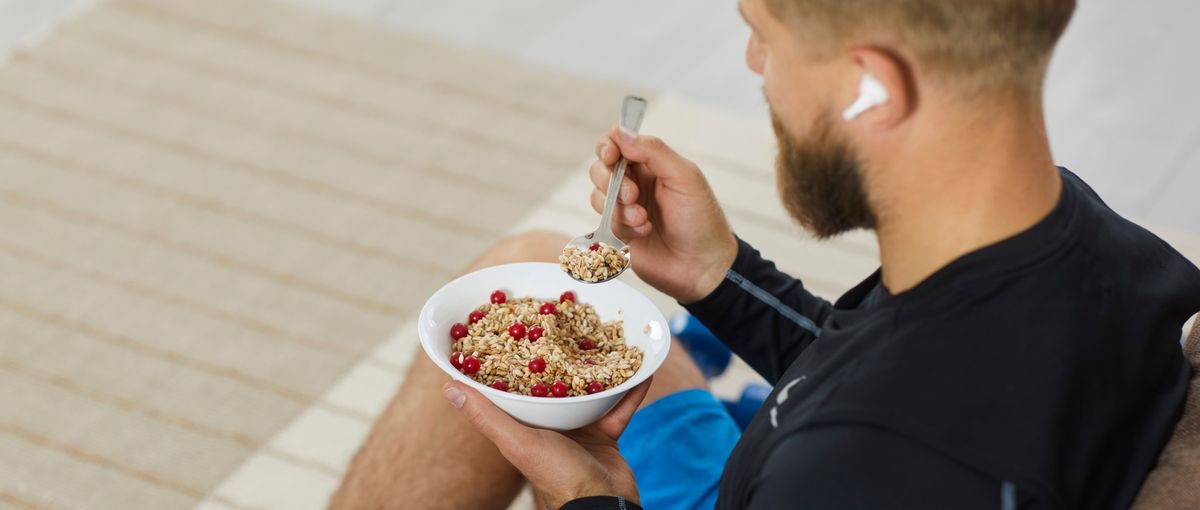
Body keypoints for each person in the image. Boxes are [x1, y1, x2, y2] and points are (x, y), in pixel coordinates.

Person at [331, 0, 1200, 508]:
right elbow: (876, 370)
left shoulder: (860, 469)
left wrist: (582, 494)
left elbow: (875, 427)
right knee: (522, 264)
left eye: (766, 33)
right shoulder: (1096, 245)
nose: (754, 64)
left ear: (872, 85)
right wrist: (721, 275)